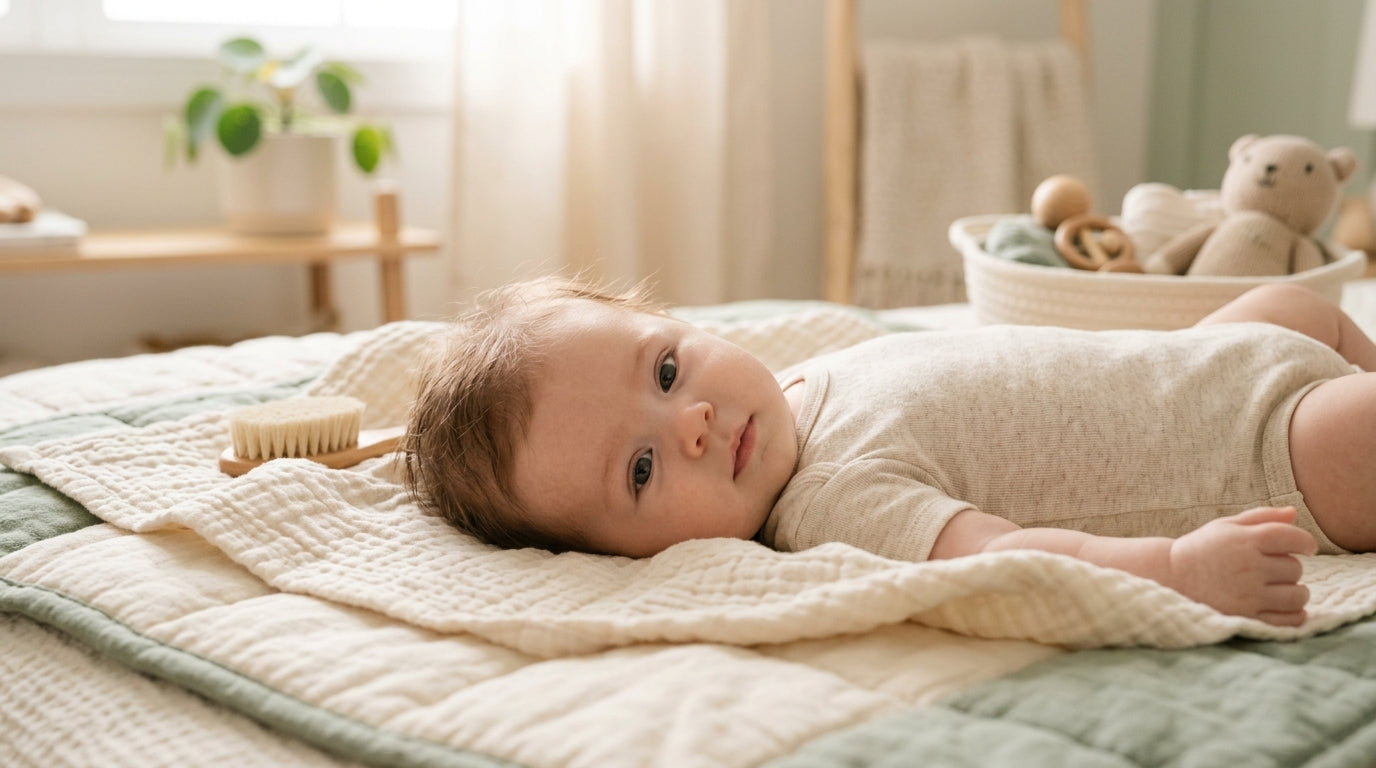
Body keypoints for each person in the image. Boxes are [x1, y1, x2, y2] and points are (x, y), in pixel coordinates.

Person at [402, 277, 1376, 628]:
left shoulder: (797, 388)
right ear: (622, 558)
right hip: (1261, 452)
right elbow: (1001, 557)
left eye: (663, 371)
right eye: (643, 471)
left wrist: (1225, 346)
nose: (690, 421)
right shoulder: (829, 504)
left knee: (1298, 302)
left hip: (1210, 355)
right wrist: (1171, 570)